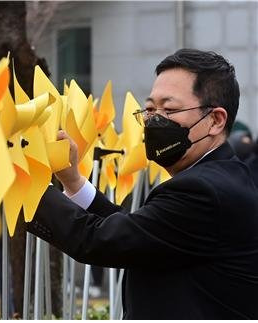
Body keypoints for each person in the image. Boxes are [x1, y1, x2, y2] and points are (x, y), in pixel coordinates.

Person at [25, 49, 258, 319]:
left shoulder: (203, 191)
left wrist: (25, 181)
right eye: (149, 109)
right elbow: (137, 231)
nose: (154, 120)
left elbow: (100, 241)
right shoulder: (220, 178)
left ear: (215, 120)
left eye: (169, 110)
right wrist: (74, 181)